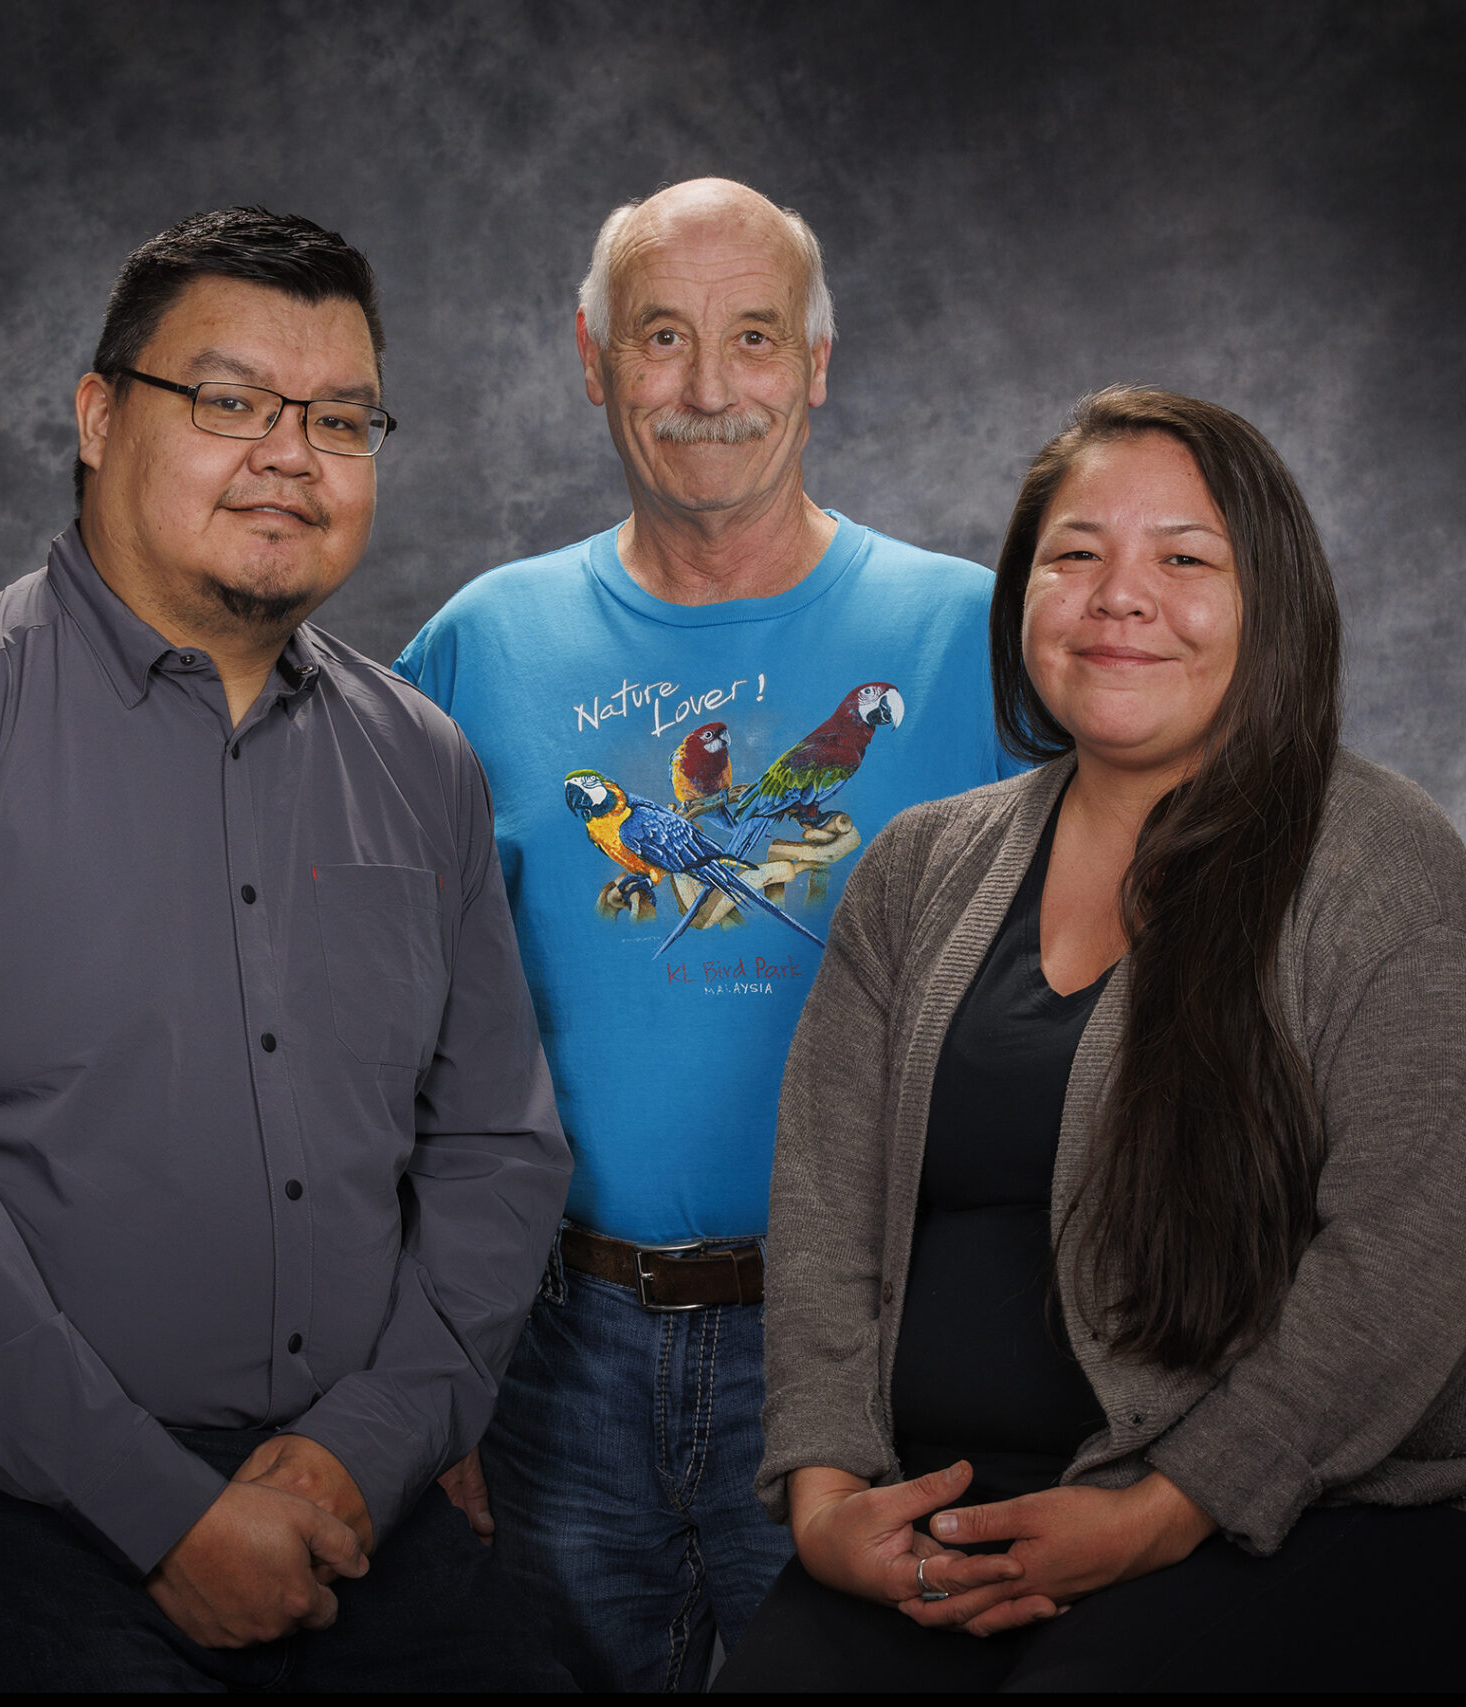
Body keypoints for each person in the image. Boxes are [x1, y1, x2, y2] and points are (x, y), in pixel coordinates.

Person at [0, 207, 574, 1692]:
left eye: (340, 420)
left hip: (334, 1464)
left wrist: (371, 1443)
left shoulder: (425, 765)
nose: (291, 456)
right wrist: (165, 1515)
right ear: (97, 418)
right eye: (229, 401)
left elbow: (496, 1155)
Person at [723, 386, 1466, 1692]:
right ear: (1023, 596)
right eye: (1075, 555)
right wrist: (827, 1504)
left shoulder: (1386, 869)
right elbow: (825, 1211)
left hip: (1332, 1511)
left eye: (1184, 560)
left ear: (1271, 603)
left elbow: (1410, 1258)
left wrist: (1163, 1510)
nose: (1119, 598)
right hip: (960, 1499)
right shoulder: (920, 868)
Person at [393, 178, 1023, 1689]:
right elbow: (377, 1038)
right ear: (592, 359)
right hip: (553, 1356)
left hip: (878, 1356)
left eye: (754, 337)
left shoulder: (979, 640)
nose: (708, 387)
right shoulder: (478, 647)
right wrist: (426, 1383)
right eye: (661, 335)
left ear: (817, 361)